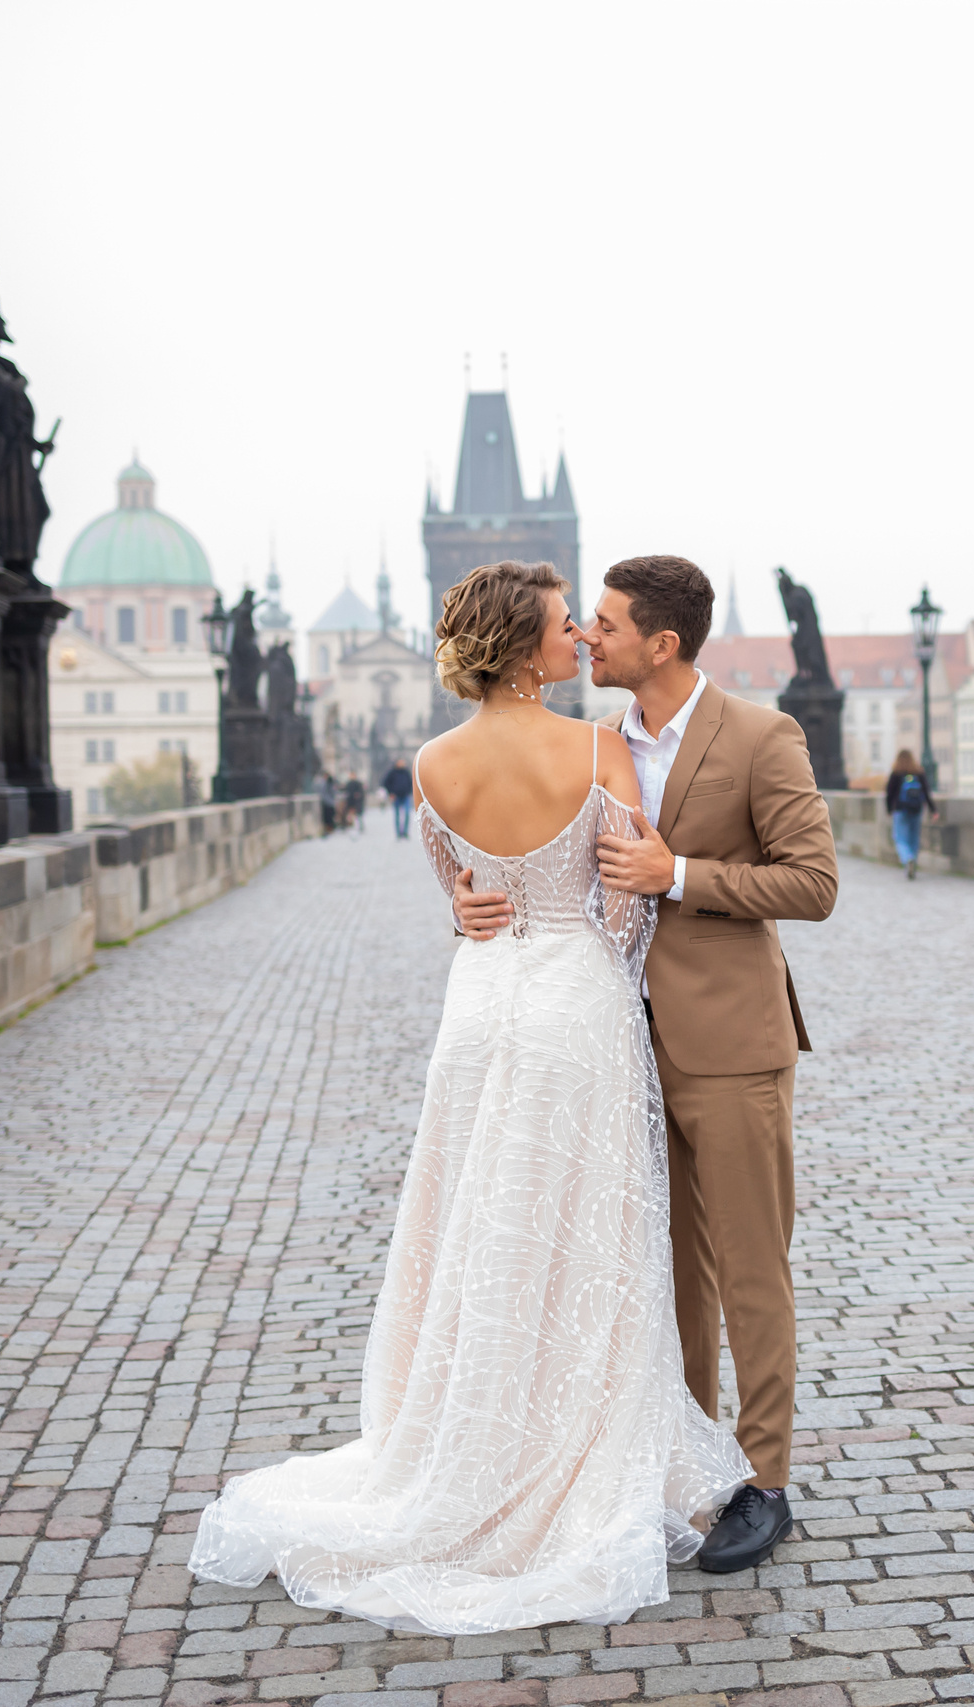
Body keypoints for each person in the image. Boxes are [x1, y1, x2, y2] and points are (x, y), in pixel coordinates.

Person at [191, 560, 752, 1634]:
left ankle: (464, 1431)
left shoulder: (432, 761)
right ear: (521, 646)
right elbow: (628, 901)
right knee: (583, 1230)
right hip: (571, 1004)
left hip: (479, 1007)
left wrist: (481, 918)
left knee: (477, 1220)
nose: (578, 639)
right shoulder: (596, 749)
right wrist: (593, 963)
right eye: (559, 625)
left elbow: (455, 891)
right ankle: (565, 1443)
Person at [576, 554, 838, 1574]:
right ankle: (696, 1467)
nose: (587, 637)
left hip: (731, 1048)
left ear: (661, 642)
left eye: (603, 625)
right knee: (669, 1274)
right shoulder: (594, 745)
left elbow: (812, 883)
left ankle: (764, 1484)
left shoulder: (761, 736)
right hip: (621, 1047)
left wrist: (674, 873)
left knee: (748, 1269)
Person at [883, 749, 935, 880]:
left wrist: (889, 810)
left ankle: (908, 859)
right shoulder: (919, 772)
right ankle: (913, 862)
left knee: (900, 838)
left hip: (900, 810)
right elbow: (927, 793)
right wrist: (933, 810)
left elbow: (889, 794)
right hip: (916, 810)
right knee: (914, 839)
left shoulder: (896, 773)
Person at [383, 758, 414, 838]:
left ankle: (405, 832)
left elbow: (411, 782)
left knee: (407, 813)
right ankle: (398, 833)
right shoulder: (392, 773)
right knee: (397, 815)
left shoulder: (406, 772)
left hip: (405, 796)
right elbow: (385, 783)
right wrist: (391, 793)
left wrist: (409, 791)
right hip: (396, 796)